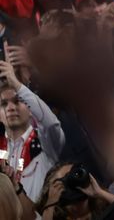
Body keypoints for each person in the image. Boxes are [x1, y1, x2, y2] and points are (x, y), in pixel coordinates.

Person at [0, 60, 65, 202]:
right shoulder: (1, 148)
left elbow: (51, 124)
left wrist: (17, 85)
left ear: (30, 109)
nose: (11, 108)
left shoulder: (45, 142)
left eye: (17, 101)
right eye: (4, 104)